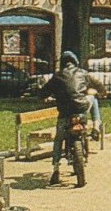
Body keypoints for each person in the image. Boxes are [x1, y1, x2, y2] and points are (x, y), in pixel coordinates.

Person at [40, 51, 105, 185]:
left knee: (59, 138)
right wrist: (100, 92)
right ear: (75, 61)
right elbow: (98, 85)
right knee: (93, 98)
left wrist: (44, 97)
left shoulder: (57, 76)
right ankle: (96, 125)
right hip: (81, 110)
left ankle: (56, 169)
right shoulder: (83, 73)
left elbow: (43, 92)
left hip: (65, 113)